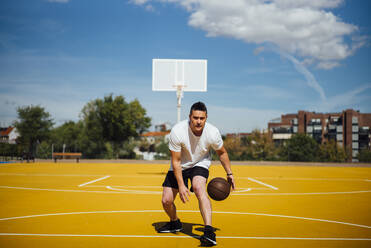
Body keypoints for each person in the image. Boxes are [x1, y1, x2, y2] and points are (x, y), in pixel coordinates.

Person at [158, 101, 235, 246]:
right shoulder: (177, 131)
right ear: (190, 117)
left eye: (202, 118)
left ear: (206, 118)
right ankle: (175, 223)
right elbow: (176, 162)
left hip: (200, 162)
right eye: (195, 118)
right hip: (180, 165)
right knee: (166, 201)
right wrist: (181, 185)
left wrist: (229, 173)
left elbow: (222, 153)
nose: (198, 121)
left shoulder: (212, 132)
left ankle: (209, 231)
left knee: (199, 187)